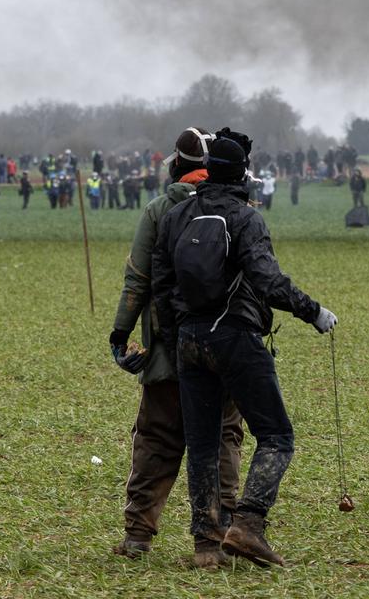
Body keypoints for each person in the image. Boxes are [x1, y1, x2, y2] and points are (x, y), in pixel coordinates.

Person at [152, 128, 338, 568]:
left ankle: (206, 546)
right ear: (243, 176)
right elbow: (267, 280)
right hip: (235, 336)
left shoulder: (177, 216)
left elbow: (161, 286)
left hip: (189, 342)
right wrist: (312, 312)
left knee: (201, 444)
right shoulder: (245, 218)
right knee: (276, 436)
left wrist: (179, 336)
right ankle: (248, 524)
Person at [109, 127, 246, 569]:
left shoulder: (158, 210)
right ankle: (218, 537)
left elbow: (138, 279)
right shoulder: (239, 208)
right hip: (225, 346)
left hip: (170, 349)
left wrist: (120, 334)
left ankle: (137, 538)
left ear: (177, 165)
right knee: (223, 438)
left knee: (157, 437)